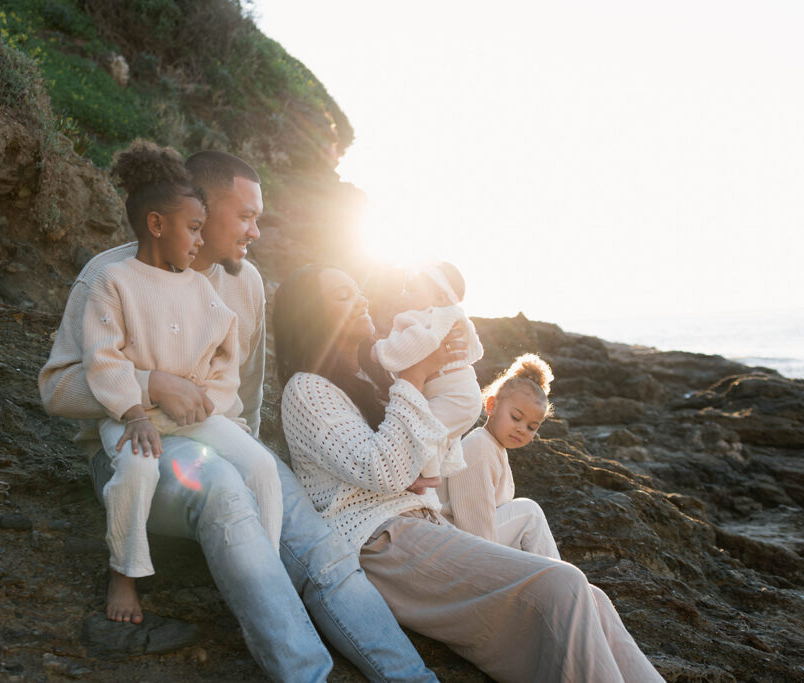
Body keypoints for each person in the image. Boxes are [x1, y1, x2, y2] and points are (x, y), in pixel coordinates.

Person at [38, 151, 436, 681]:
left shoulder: (245, 283)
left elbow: (245, 401)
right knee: (223, 488)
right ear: (201, 207)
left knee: (318, 544)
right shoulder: (110, 274)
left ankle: (413, 678)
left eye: (259, 217)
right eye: (244, 216)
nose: (255, 231)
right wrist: (151, 383)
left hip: (218, 439)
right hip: (136, 453)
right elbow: (57, 388)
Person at [275, 264, 663, 683]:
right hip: (382, 544)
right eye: (342, 296)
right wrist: (414, 376)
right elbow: (383, 468)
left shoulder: (366, 379)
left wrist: (436, 372)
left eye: (357, 291)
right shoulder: (307, 389)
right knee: (564, 585)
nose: (362, 299)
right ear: (311, 316)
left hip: (424, 529)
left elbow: (421, 452)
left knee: (592, 598)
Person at [54, 141, 282, 624]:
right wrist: (144, 397)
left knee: (262, 468)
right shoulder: (109, 280)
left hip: (198, 424)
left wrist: (217, 414)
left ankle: (267, 571)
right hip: (131, 422)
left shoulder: (219, 285)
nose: (201, 243)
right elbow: (94, 367)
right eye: (195, 228)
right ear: (162, 223)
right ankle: (125, 573)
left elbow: (236, 375)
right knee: (142, 471)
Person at [440, 353, 561, 559]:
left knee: (593, 592)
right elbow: (475, 528)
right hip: (455, 546)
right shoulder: (479, 447)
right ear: (491, 406)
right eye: (516, 417)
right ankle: (555, 577)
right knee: (529, 512)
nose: (522, 429)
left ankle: (557, 576)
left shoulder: (494, 448)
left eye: (532, 427)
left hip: (477, 541)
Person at [373, 260, 484, 480]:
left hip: (453, 395)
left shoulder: (436, 316)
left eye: (412, 291)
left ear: (440, 297)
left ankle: (427, 476)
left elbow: (415, 344)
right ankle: (430, 473)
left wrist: (379, 350)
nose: (405, 295)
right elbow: (475, 351)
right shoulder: (452, 316)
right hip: (459, 393)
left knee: (420, 430)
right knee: (431, 432)